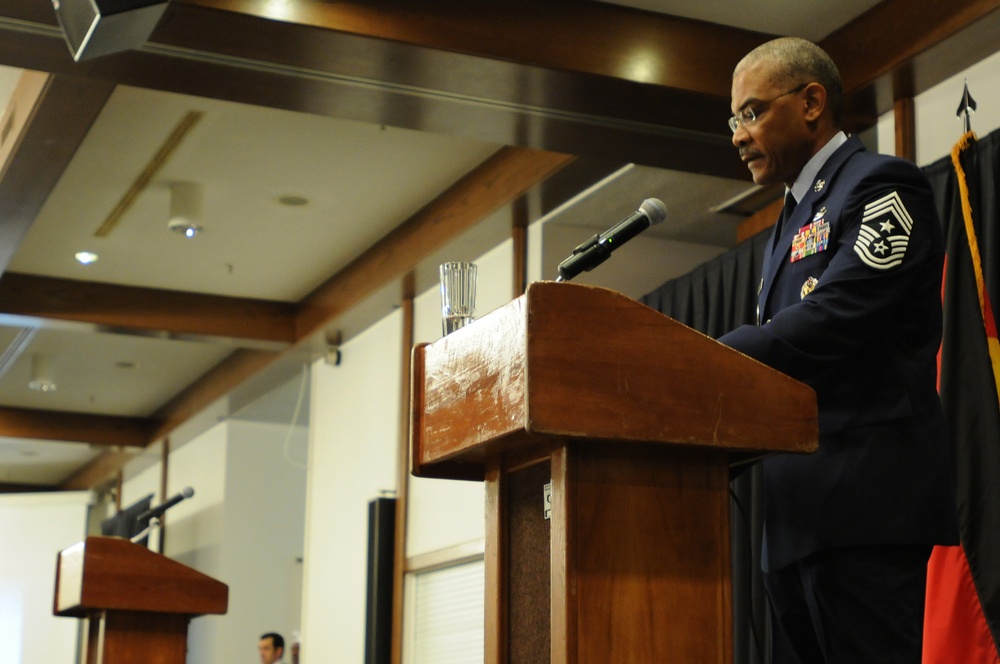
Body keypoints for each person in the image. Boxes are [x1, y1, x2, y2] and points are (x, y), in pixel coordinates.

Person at [718, 37, 958, 663]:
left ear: (812, 102)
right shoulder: (790, 218)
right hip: (795, 516)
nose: (738, 136)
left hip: (865, 505)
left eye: (750, 113)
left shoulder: (881, 184)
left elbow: (839, 314)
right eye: (734, 120)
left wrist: (716, 358)